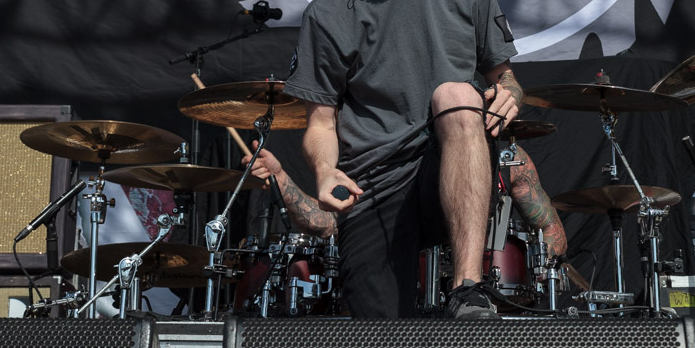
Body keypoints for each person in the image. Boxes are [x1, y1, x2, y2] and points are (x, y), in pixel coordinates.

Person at [282, 0, 523, 318]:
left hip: (450, 159)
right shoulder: (327, 14)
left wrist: (510, 94)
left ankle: (467, 289)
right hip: (375, 182)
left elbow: (505, 76)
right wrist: (325, 171)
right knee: (380, 342)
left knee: (456, 93)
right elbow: (321, 123)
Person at [242, 140, 567, 257]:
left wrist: (535, 267)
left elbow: (553, 232)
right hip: (409, 288)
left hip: (485, 294)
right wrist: (281, 177)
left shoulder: (509, 159)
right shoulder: (389, 159)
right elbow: (327, 224)